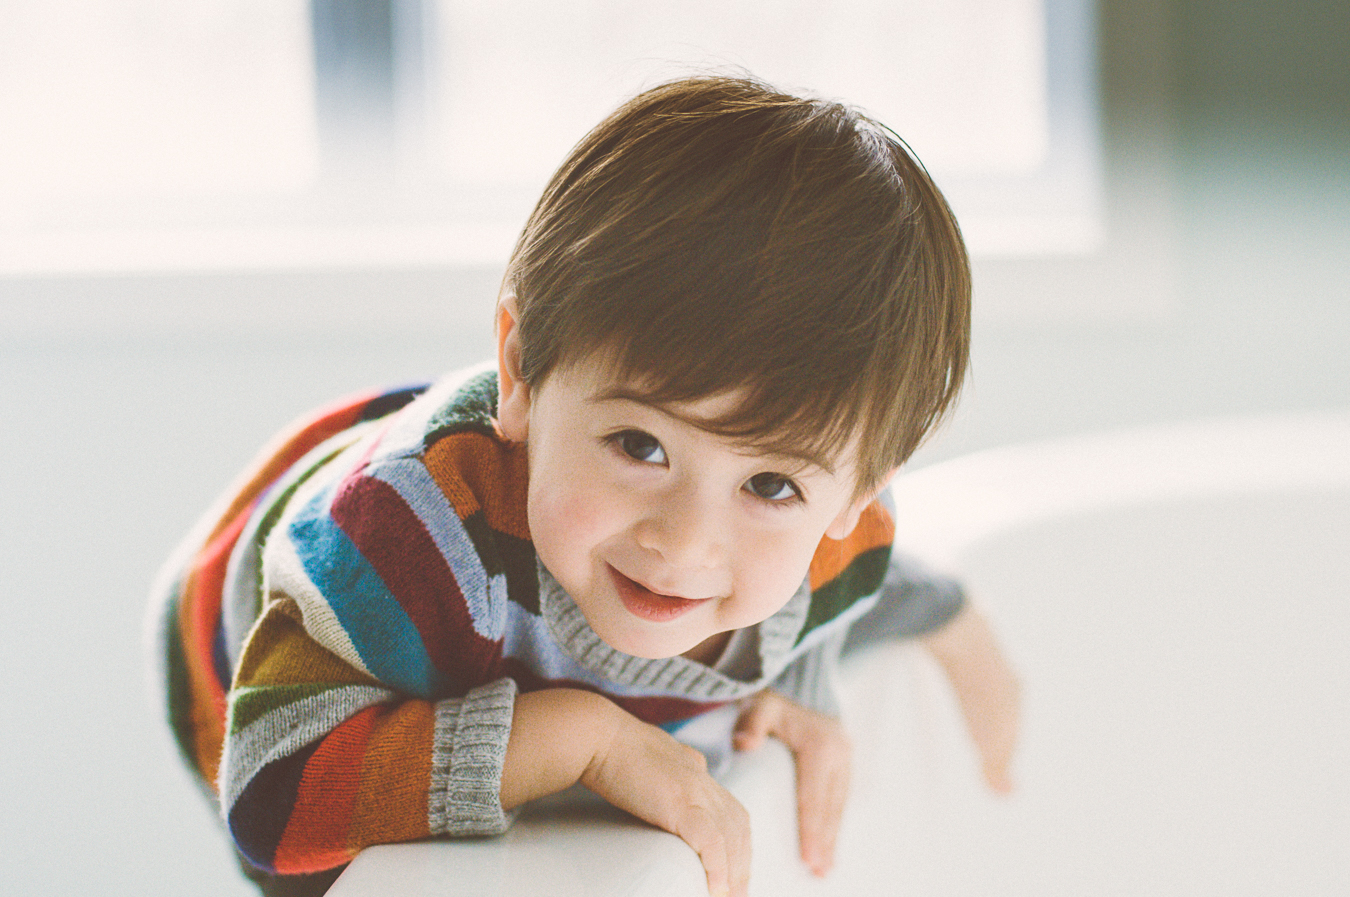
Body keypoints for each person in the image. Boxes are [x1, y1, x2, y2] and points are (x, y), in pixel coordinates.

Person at [151, 74, 1019, 897]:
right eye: (641, 444)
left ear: (857, 495)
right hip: (262, 655)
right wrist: (579, 736)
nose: (684, 542)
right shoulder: (406, 539)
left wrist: (943, 634)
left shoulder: (846, 539)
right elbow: (271, 799)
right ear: (521, 372)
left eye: (769, 486)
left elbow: (877, 584)